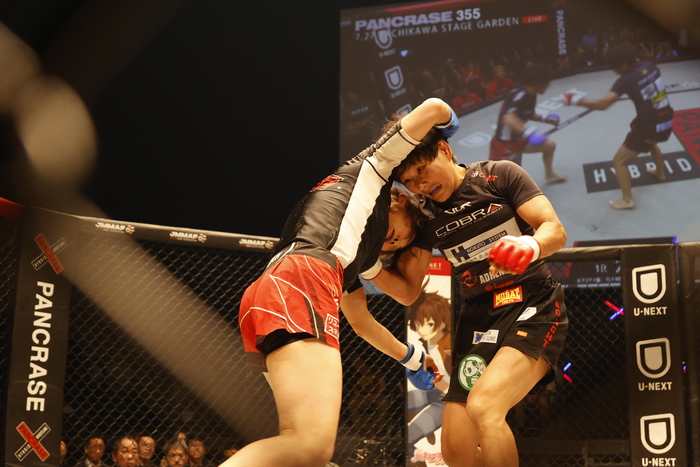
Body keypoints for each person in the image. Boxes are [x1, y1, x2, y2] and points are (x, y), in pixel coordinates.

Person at [223, 98, 457, 467]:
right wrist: (448, 125)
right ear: (398, 200)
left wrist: (412, 358)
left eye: (398, 245)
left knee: (303, 452)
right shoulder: (374, 169)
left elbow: (366, 320)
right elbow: (434, 107)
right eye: (402, 232)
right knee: (310, 446)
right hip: (303, 281)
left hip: (271, 290)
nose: (394, 242)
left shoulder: (355, 253)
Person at [367, 122, 569, 467]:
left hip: (532, 305)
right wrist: (368, 267)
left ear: (444, 150)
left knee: (486, 408)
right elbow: (408, 292)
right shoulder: (424, 215)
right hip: (479, 319)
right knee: (456, 452)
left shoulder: (499, 175)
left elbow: (555, 230)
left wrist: (530, 245)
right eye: (409, 180)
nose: (420, 184)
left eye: (421, 169)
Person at [558, 41, 674, 209]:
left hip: (648, 125)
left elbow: (603, 104)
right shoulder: (649, 65)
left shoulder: (625, 80)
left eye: (615, 67)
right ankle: (660, 173)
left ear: (624, 63)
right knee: (651, 142)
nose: (614, 71)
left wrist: (576, 100)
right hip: (666, 117)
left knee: (619, 162)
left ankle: (627, 200)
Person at [489, 64, 567, 182]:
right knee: (499, 183)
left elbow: (528, 113)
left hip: (518, 139)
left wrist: (545, 118)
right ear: (538, 83)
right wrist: (530, 133)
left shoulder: (532, 94)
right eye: (547, 82)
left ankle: (549, 174)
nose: (549, 85)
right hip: (503, 145)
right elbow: (508, 118)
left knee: (550, 146)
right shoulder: (518, 95)